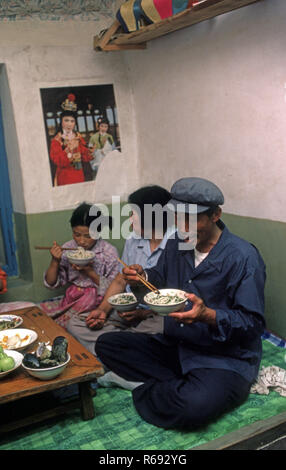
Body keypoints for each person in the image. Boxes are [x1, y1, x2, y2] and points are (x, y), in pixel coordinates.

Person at [95, 177, 266, 430]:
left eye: (192, 218)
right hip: (177, 345)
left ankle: (151, 386)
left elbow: (252, 324)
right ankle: (183, 381)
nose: (183, 226)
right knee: (107, 344)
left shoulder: (243, 257)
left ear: (215, 215)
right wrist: (142, 277)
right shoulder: (177, 243)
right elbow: (160, 279)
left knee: (192, 406)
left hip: (222, 358)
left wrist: (208, 315)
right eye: (178, 216)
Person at [67, 185, 175, 355]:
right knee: (76, 324)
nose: (130, 219)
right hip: (129, 309)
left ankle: (118, 351)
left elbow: (178, 299)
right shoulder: (133, 239)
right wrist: (102, 310)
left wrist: (143, 313)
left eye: (134, 214)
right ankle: (122, 351)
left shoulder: (176, 244)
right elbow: (120, 279)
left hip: (159, 316)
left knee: (164, 330)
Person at [39, 203, 119, 329]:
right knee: (41, 318)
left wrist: (89, 272)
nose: (81, 241)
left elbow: (115, 289)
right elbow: (50, 283)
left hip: (98, 302)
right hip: (73, 297)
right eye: (77, 234)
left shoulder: (109, 253)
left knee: (71, 327)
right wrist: (55, 260)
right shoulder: (69, 248)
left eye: (88, 236)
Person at [50, 110, 92, 186]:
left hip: (79, 175)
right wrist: (69, 148)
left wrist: (89, 151)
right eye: (66, 120)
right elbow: (58, 161)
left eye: (72, 121)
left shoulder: (78, 137)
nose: (69, 124)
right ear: (61, 122)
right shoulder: (56, 140)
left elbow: (86, 157)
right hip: (65, 177)